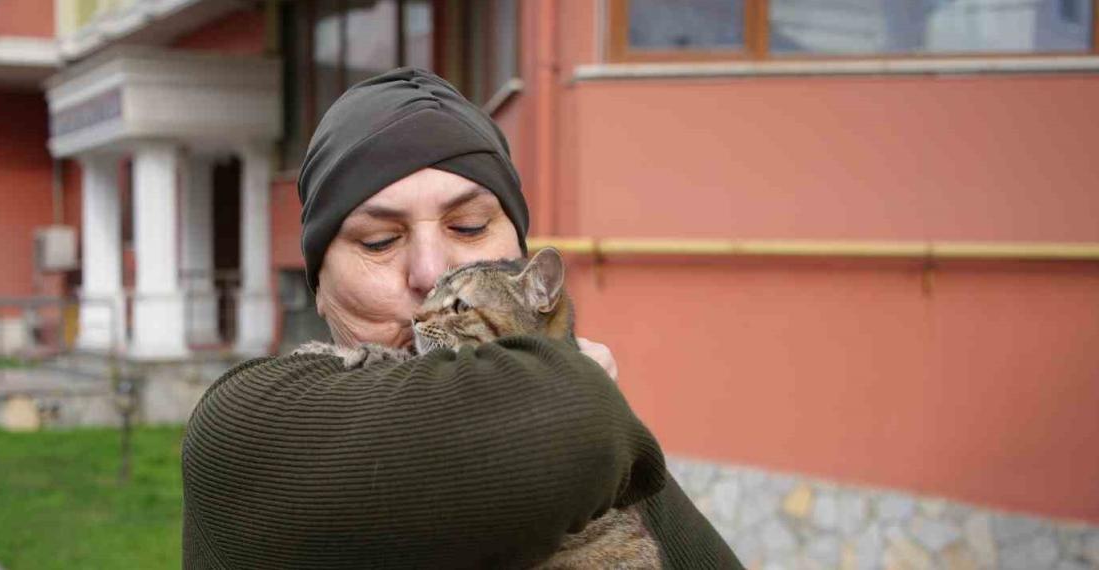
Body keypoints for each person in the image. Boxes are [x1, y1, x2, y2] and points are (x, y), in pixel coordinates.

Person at [181, 68, 741, 569]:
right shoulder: (243, 425)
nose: (432, 274)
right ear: (319, 289)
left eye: (470, 227)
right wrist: (575, 386)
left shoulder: (606, 449)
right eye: (379, 241)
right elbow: (572, 421)